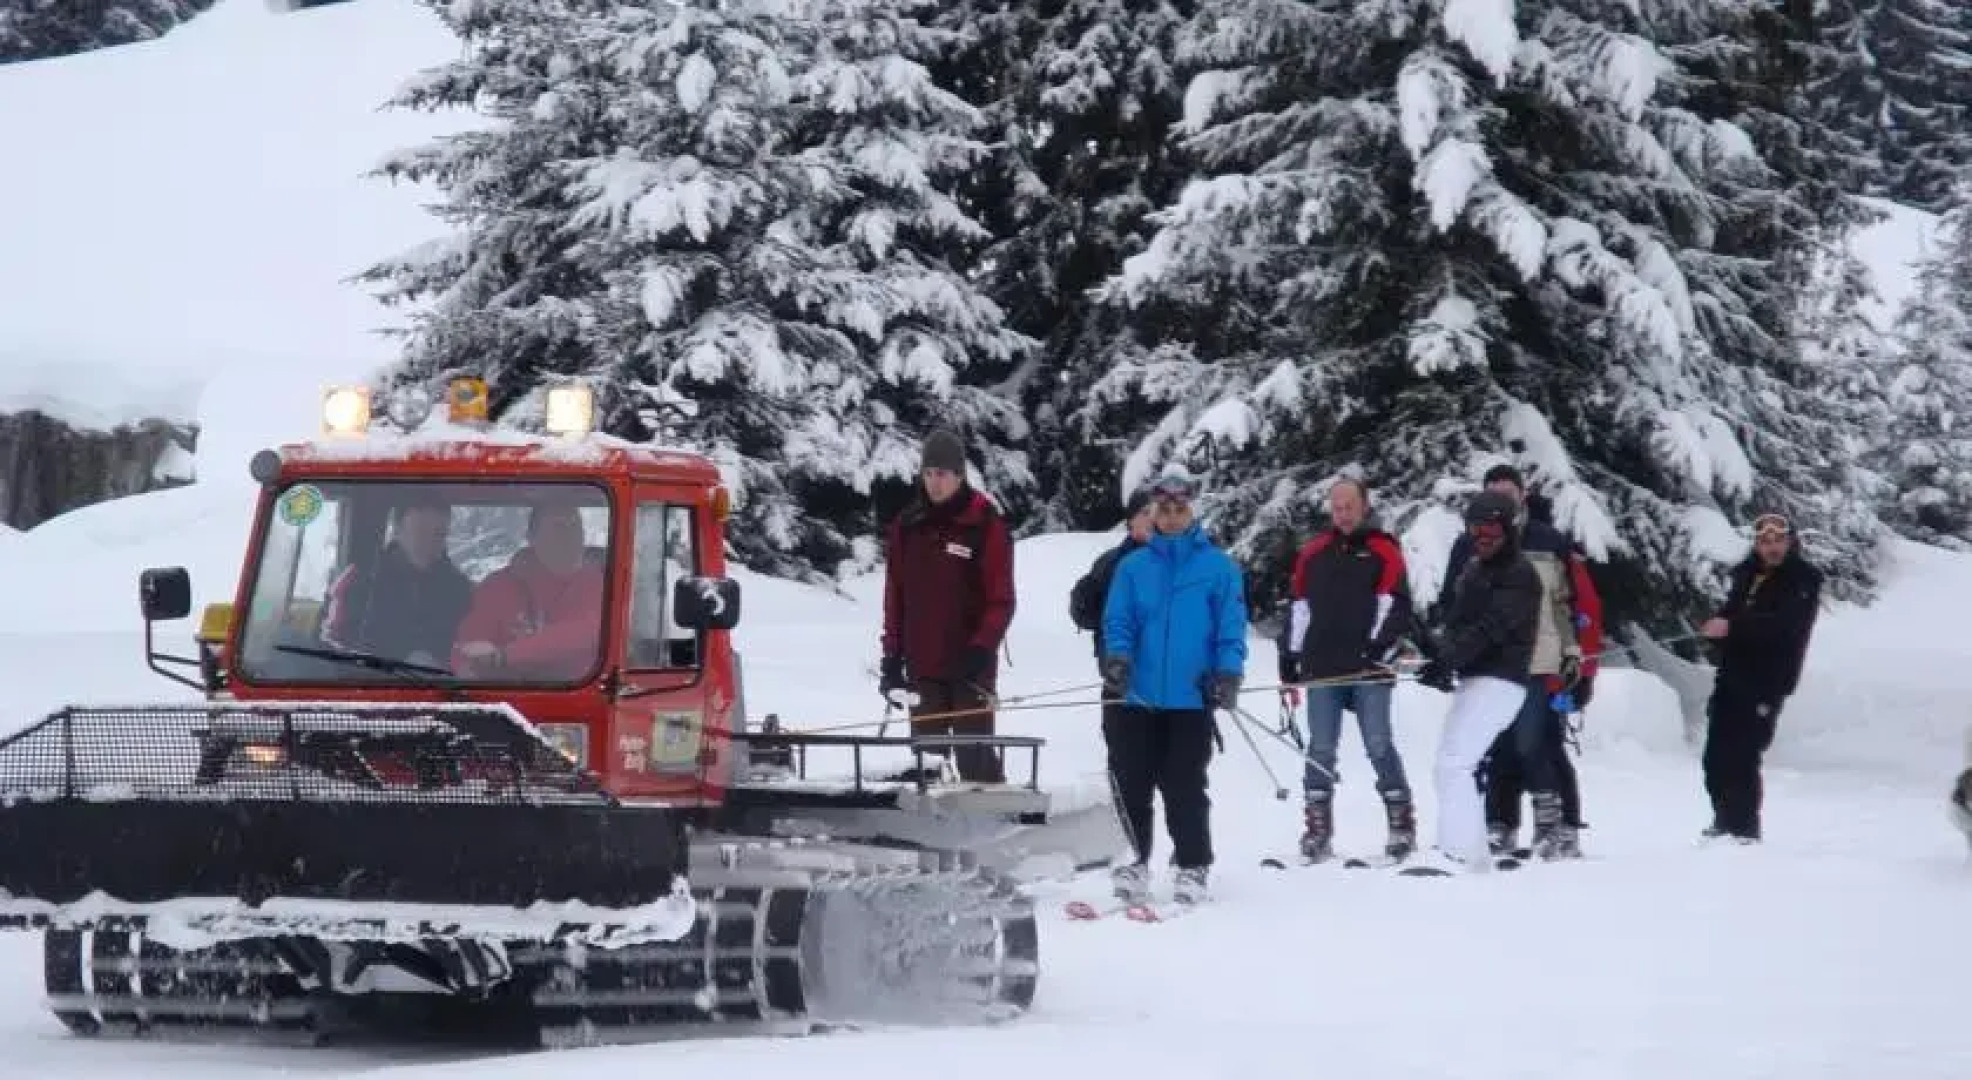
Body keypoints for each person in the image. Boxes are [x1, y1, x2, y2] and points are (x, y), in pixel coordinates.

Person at [1099, 473, 1248, 905]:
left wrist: (1228, 672)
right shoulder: (1133, 567)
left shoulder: (1219, 568)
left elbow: (1231, 629)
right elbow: (1118, 621)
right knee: (1131, 779)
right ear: (1152, 513)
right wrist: (1119, 659)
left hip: (1190, 696)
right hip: (1136, 695)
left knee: (1183, 781)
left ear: (1192, 510)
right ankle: (1134, 859)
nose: (1171, 516)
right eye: (1163, 509)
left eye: (1179, 508)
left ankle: (1192, 862)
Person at [1442, 464, 1602, 858]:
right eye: (1493, 495)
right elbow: (1455, 604)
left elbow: (1578, 605)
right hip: (1488, 662)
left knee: (1537, 740)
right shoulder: (1470, 546)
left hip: (1540, 657)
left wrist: (1579, 662)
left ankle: (1555, 823)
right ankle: (1500, 822)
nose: (1502, 503)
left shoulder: (1549, 542)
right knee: (1496, 742)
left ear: (1522, 495)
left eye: (1508, 494)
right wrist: (1449, 650)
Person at [1276, 477, 1418, 863]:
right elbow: (1299, 608)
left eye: (1349, 507)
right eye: (1336, 508)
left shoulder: (1382, 550)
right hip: (1323, 667)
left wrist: (1378, 648)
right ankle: (1317, 829)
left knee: (1378, 742)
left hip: (1368, 667)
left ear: (1364, 506)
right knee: (1320, 747)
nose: (1342, 514)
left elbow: (1396, 605)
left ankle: (1401, 821)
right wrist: (1288, 659)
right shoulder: (1314, 552)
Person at [1411, 490, 1541, 874]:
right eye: (1475, 529)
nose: (1481, 537)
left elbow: (1492, 629)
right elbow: (1459, 627)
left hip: (1503, 679)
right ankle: (1467, 849)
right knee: (1448, 763)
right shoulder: (1473, 571)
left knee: (1456, 762)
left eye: (1490, 529)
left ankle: (1460, 854)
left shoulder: (1519, 574)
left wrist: (1448, 659)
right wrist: (1435, 654)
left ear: (1509, 529)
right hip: (1476, 676)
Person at [878, 428, 1017, 784]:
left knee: (974, 756)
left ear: (959, 476)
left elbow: (1001, 598)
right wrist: (891, 657)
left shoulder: (983, 523)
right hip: (923, 663)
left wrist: (983, 647)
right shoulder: (907, 527)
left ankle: (997, 817)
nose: (935, 483)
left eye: (942, 474)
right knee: (929, 761)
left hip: (970, 663)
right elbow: (895, 597)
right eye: (928, 474)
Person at [1697, 512, 1821, 843]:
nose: (1772, 547)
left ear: (1790, 542)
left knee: (1743, 753)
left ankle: (1743, 827)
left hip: (1767, 679)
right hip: (1732, 674)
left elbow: (1784, 627)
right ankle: (1723, 818)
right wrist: (1717, 627)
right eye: (1765, 541)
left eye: (1778, 540)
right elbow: (1733, 613)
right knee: (1715, 755)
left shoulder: (1802, 580)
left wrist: (1733, 627)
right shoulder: (1747, 574)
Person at [452, 499, 607, 681]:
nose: (570, 535)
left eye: (575, 526)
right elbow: (470, 645)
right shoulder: (498, 587)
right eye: (558, 527)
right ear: (532, 538)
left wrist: (504, 656)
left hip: (587, 698)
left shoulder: (603, 584)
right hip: (515, 699)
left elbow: (586, 634)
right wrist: (465, 666)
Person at [319, 495, 473, 666]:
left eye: (439, 534)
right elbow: (330, 644)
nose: (429, 542)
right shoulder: (358, 579)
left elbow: (473, 645)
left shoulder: (460, 589)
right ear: (397, 530)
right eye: (420, 532)